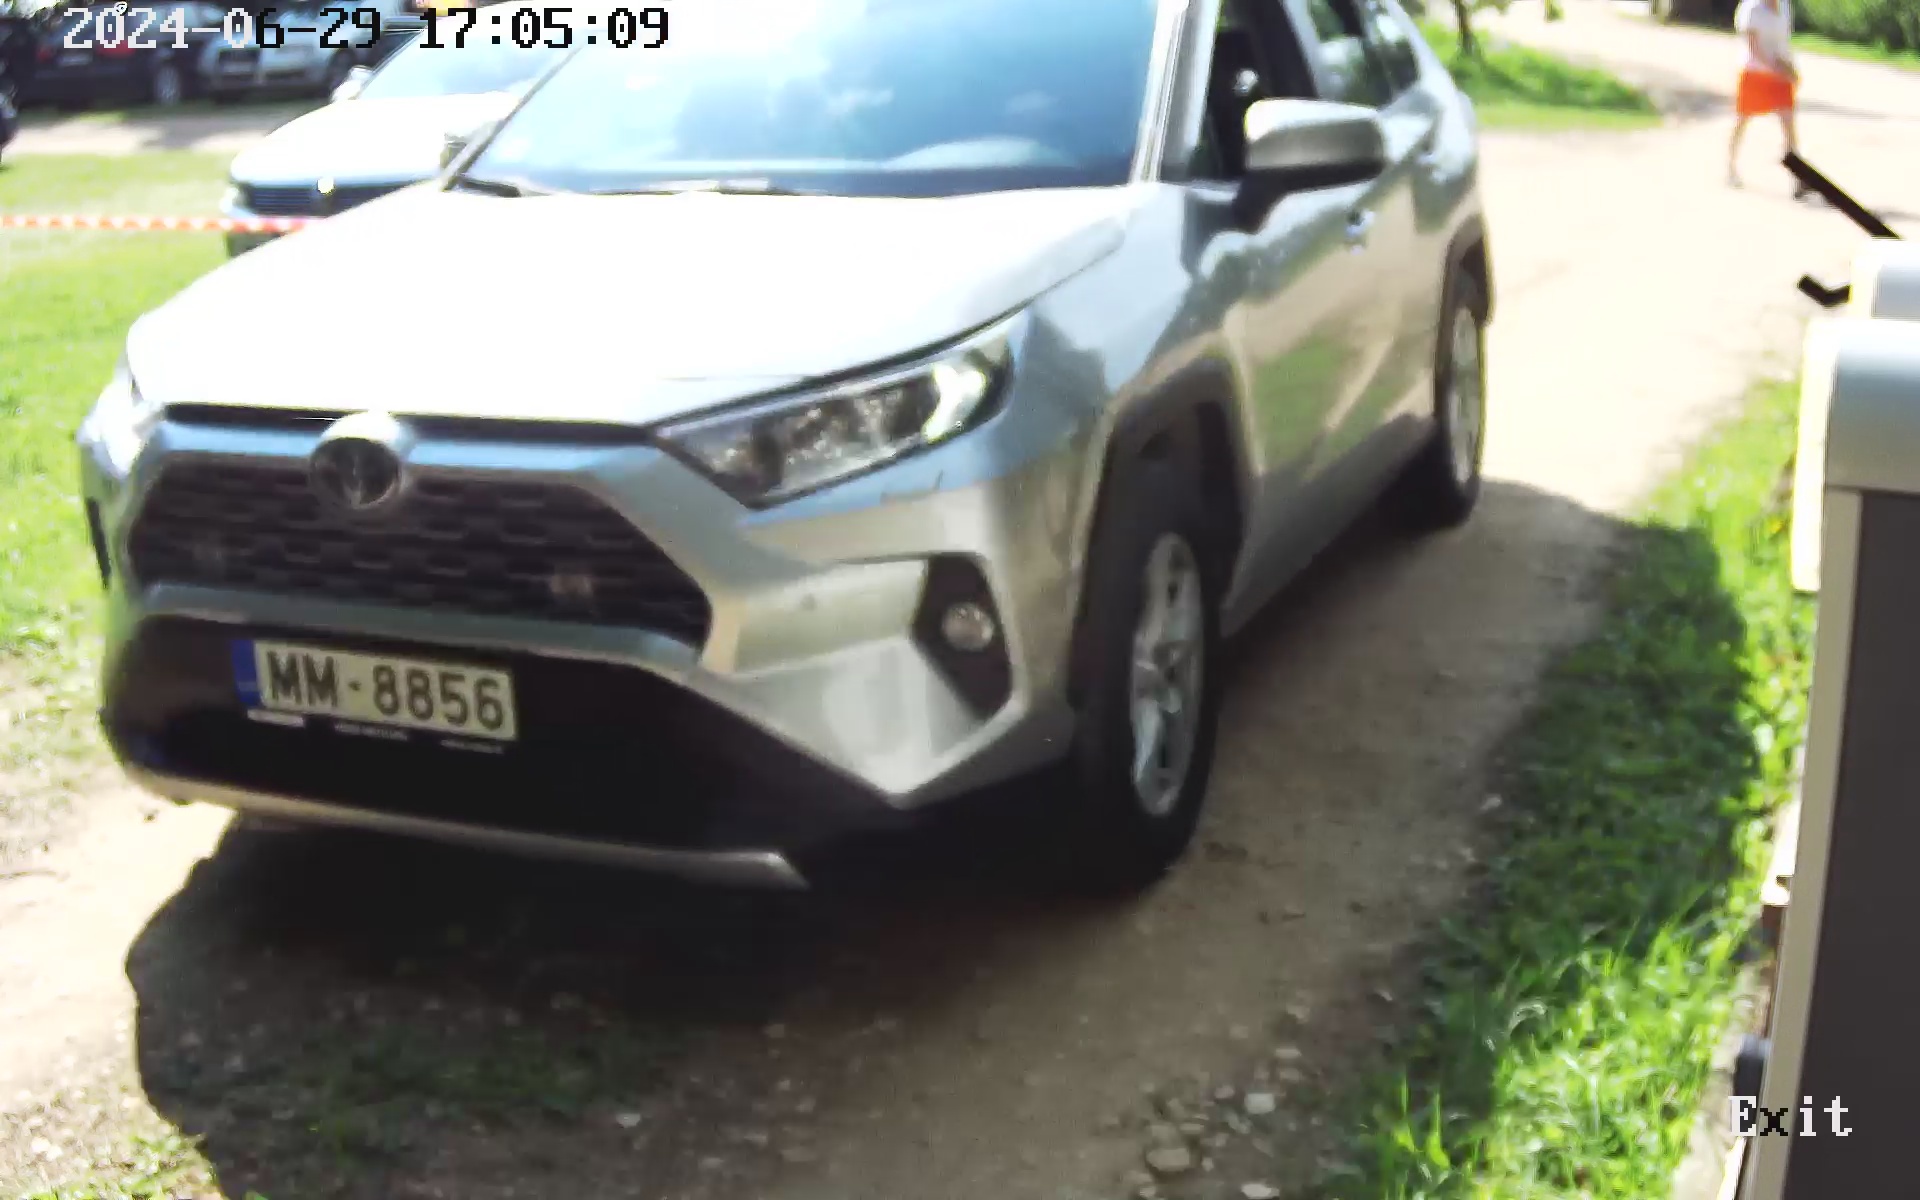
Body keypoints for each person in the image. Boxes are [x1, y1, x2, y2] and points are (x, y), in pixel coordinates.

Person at [1729, 0, 1811, 197]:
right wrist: (1776, 68)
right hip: (1755, 73)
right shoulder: (1751, 8)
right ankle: (1730, 167)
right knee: (1742, 120)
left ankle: (1797, 179)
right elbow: (1753, 47)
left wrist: (1791, 69)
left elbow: (1783, 43)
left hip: (1781, 74)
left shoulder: (1784, 6)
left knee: (1788, 125)